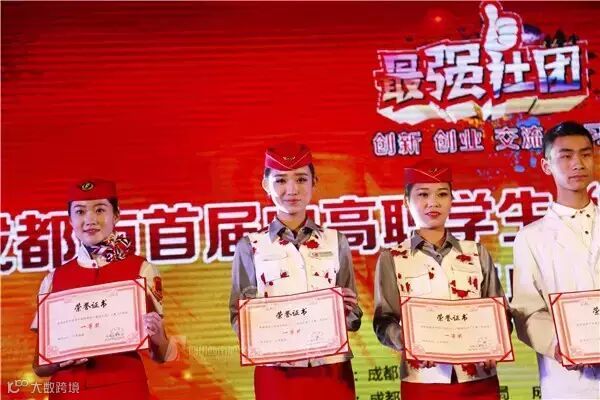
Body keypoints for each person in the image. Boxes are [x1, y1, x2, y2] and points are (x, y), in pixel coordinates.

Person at [229, 142, 362, 400]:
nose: (292, 190)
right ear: (266, 185)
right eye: (280, 180)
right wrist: (257, 332)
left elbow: (353, 316)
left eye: (301, 179)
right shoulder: (251, 246)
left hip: (332, 370)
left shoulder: (335, 241)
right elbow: (238, 315)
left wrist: (347, 313)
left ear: (314, 182)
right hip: (276, 373)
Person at [31, 179, 177, 399]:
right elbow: (38, 366)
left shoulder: (141, 270)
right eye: (80, 212)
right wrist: (58, 362)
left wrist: (158, 339)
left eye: (100, 210)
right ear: (69, 219)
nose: (90, 219)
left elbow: (161, 355)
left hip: (124, 389)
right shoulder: (54, 279)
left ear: (116, 215)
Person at [373, 160, 507, 400]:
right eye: (423, 194)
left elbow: (499, 312)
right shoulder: (392, 258)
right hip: (423, 380)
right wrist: (404, 339)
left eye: (442, 194)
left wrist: (496, 341)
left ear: (452, 199)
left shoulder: (476, 252)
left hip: (479, 379)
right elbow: (383, 321)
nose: (433, 202)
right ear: (406, 201)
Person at [510, 121, 600, 399]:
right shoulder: (530, 237)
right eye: (565, 156)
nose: (578, 164)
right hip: (569, 383)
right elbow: (526, 311)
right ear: (546, 165)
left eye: (585, 154)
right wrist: (558, 345)